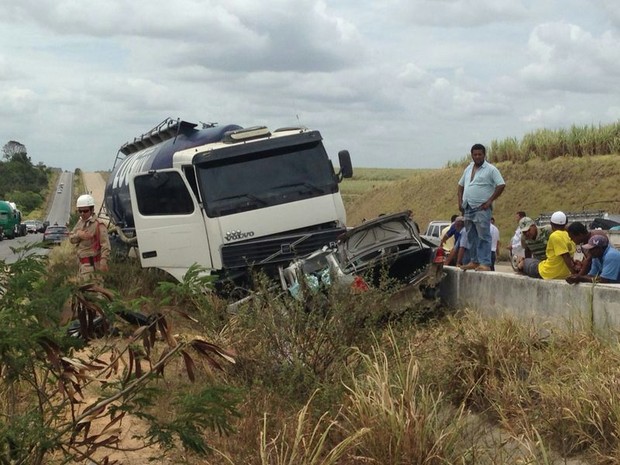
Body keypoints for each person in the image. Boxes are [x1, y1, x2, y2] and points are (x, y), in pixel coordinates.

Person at [457, 143, 505, 272]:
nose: (477, 156)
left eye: (480, 154)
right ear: (471, 155)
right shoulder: (468, 168)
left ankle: (485, 263)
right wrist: (460, 202)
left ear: (484, 155)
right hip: (468, 207)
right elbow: (460, 186)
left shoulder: (491, 169)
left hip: (481, 208)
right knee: (471, 235)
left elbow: (501, 185)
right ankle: (474, 260)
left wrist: (490, 201)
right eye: (475, 154)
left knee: (483, 235)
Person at [521, 211, 577, 279]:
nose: (527, 233)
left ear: (534, 226)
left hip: (548, 269)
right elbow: (527, 251)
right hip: (543, 263)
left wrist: (574, 274)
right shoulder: (524, 239)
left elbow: (565, 255)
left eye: (528, 230)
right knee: (526, 262)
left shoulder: (550, 232)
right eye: (524, 232)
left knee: (523, 263)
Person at [69, 194, 111, 283]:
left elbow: (105, 245)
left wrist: (103, 261)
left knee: (93, 293)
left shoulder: (98, 224)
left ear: (92, 210)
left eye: (85, 211)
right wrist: (79, 234)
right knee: (83, 293)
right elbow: (71, 239)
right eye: (80, 211)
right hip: (82, 265)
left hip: (93, 266)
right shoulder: (80, 222)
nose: (82, 214)